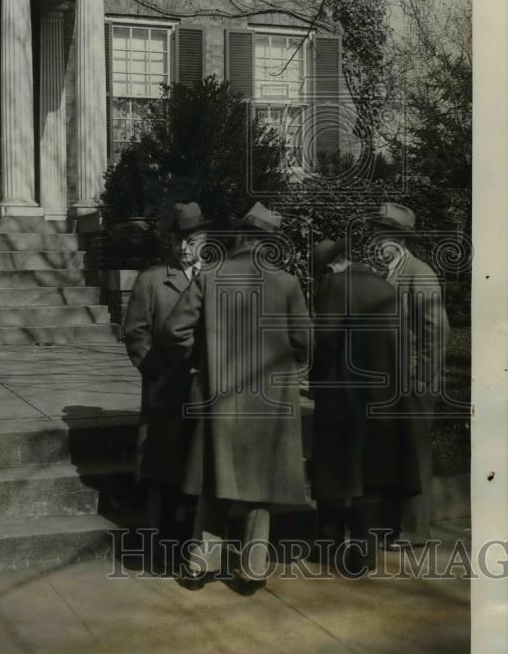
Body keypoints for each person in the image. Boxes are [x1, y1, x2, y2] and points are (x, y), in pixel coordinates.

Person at [158, 202, 313, 594]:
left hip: (219, 395)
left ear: (241, 236)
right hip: (269, 398)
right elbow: (305, 342)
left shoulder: (210, 275)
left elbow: (174, 330)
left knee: (215, 477)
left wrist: (202, 360)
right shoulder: (287, 284)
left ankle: (200, 564)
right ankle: (252, 568)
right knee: (261, 486)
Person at [309, 236, 422, 572]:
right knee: (370, 474)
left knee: (331, 468)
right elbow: (403, 343)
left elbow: (325, 338)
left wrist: (314, 378)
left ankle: (328, 544)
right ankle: (364, 553)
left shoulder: (334, 285)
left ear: (330, 266)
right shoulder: (385, 287)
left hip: (342, 394)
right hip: (383, 397)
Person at [123, 202, 208, 560]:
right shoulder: (152, 280)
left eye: (192, 241)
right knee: (162, 468)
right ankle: (159, 545)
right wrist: (158, 374)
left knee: (198, 468)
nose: (184, 248)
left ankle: (194, 539)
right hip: (165, 389)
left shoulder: (216, 277)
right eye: (178, 241)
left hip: (204, 391)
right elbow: (136, 334)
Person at [369, 202, 449, 546]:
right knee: (391, 453)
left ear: (400, 240)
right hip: (390, 382)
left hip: (414, 382)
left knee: (414, 454)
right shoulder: (384, 274)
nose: (377, 242)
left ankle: (416, 530)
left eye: (384, 235)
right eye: (376, 234)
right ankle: (391, 526)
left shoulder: (420, 272)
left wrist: (421, 377)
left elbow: (437, 329)